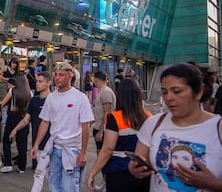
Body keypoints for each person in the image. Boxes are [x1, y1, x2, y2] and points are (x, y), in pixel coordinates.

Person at [128, 63, 222, 191]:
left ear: (199, 93)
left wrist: (212, 183)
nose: (168, 98)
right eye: (164, 92)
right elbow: (137, 161)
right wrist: (135, 169)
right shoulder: (154, 124)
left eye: (177, 91)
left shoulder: (217, 128)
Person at [30, 62, 94, 192]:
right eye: (55, 75)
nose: (57, 78)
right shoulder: (51, 98)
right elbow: (45, 122)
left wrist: (83, 152)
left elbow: (85, 126)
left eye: (61, 75)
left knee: (69, 186)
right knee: (54, 185)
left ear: (70, 76)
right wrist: (36, 144)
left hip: (72, 150)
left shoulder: (80, 98)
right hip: (54, 148)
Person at [87, 78, 151, 192]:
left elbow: (107, 150)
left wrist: (93, 172)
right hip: (143, 170)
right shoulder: (148, 117)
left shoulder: (114, 118)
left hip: (118, 170)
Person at [0, 74, 32, 174]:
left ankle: (8, 164)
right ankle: (22, 167)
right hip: (25, 118)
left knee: (6, 140)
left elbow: (3, 103)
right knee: (22, 143)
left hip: (12, 118)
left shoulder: (12, 91)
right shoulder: (30, 93)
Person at [92, 71, 116, 153]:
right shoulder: (102, 91)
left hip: (103, 128)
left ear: (96, 79)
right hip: (99, 126)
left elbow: (107, 112)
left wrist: (101, 131)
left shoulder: (106, 92)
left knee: (102, 153)